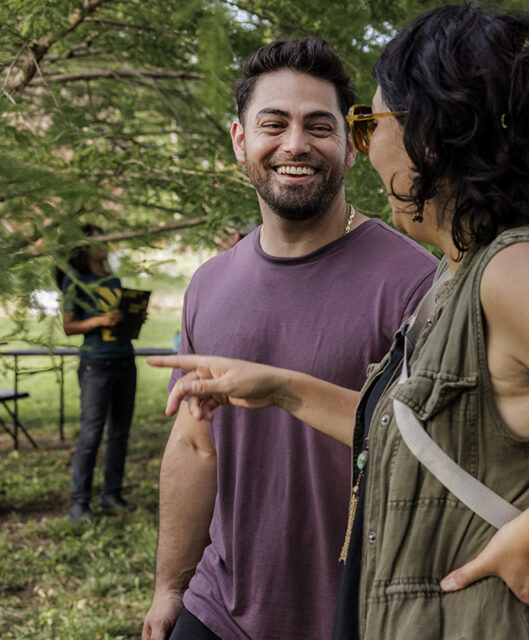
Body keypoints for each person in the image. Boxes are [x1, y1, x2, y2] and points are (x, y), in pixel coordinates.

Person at [150, 6, 529, 638]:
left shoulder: (517, 271)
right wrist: (281, 388)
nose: (363, 145)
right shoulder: (461, 273)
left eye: (368, 124)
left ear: (431, 136)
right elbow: (412, 439)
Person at [141, 38, 438, 640]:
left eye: (318, 126)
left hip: (354, 614)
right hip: (219, 606)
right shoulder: (209, 283)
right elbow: (195, 445)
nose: (295, 144)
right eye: (273, 124)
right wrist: (171, 587)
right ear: (239, 140)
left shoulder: (416, 282)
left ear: (352, 146)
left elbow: (433, 450)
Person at [57, 224, 138, 523]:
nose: (104, 243)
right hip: (96, 365)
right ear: (83, 247)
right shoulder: (75, 281)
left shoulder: (113, 280)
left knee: (120, 432)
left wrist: (132, 318)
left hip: (124, 360)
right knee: (91, 433)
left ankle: (111, 494)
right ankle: (79, 501)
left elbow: (119, 322)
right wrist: (101, 320)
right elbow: (68, 326)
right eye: (97, 240)